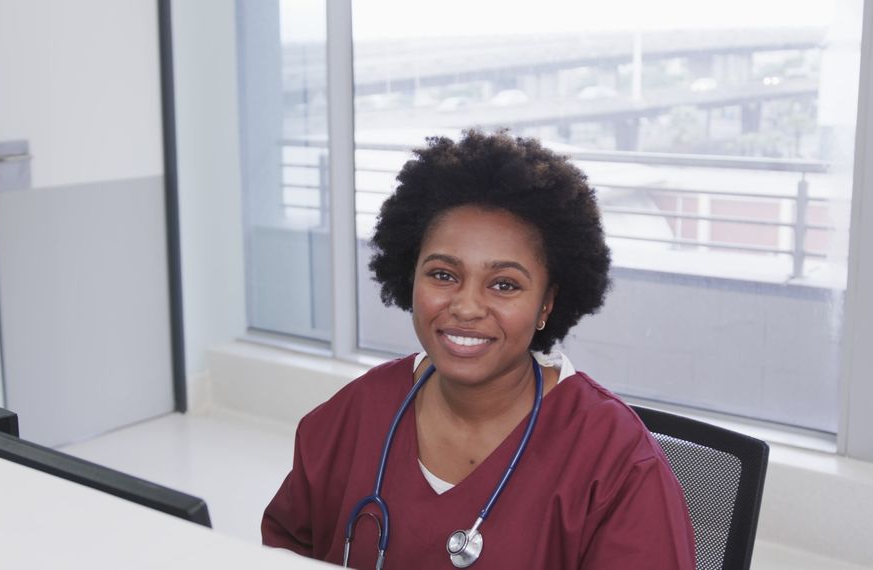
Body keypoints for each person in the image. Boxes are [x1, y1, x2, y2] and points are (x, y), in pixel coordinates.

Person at [262, 131, 696, 569]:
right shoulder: (355, 413)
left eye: (504, 284)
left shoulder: (617, 461)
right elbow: (282, 548)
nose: (466, 307)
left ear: (547, 302)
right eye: (443, 275)